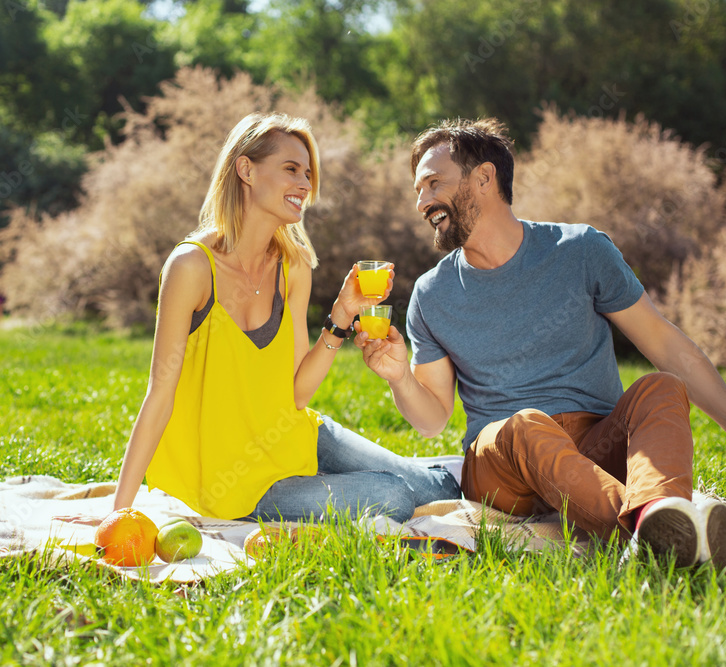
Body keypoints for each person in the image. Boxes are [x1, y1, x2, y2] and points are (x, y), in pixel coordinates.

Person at [356, 117, 726, 566]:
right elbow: (433, 419)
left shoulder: (580, 250)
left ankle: (660, 514)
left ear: (484, 178)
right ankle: (648, 537)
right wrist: (397, 378)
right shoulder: (432, 294)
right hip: (506, 468)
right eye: (418, 191)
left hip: (600, 449)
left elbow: (664, 343)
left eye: (432, 183)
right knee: (525, 424)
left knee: (661, 387)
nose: (423, 201)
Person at [93, 112, 461, 525]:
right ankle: (324, 484)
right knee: (391, 496)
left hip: (293, 433)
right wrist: (118, 511)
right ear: (246, 170)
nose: (305, 184)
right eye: (291, 170)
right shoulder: (192, 267)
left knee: (441, 489)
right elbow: (159, 393)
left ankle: (330, 477)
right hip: (233, 482)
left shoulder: (293, 266)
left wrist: (341, 314)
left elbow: (297, 394)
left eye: (307, 173)